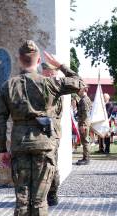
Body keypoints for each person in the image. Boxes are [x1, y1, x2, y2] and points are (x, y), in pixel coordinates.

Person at [0, 40, 86, 216]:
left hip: (19, 144)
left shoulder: (8, 86)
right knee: (39, 194)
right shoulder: (49, 83)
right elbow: (80, 83)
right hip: (44, 145)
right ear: (38, 60)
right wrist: (61, 65)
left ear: (19, 59)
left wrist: (1, 149)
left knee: (22, 192)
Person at [41, 59, 80, 206]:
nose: (55, 74)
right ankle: (49, 195)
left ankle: (51, 194)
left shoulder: (53, 86)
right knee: (50, 164)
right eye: (54, 71)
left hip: (50, 131)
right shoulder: (53, 85)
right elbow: (77, 80)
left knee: (51, 164)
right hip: (50, 132)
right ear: (50, 72)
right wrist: (61, 65)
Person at [76, 85, 92, 165]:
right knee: (84, 140)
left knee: (85, 141)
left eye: (79, 90)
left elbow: (85, 113)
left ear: (83, 90)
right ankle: (85, 157)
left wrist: (83, 125)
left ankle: (86, 159)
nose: (78, 91)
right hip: (85, 122)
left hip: (84, 123)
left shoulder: (84, 100)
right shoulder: (86, 99)